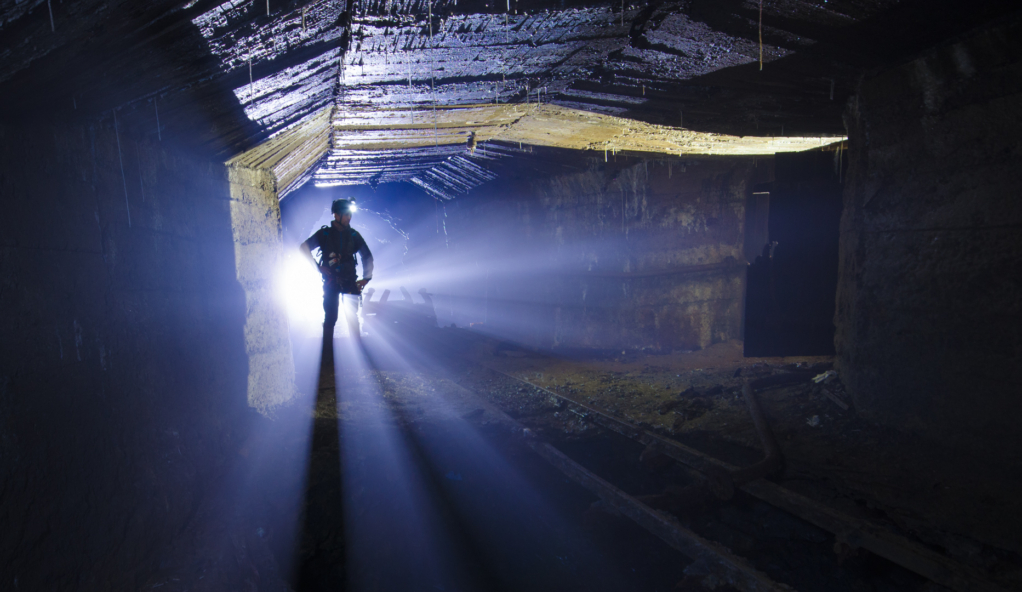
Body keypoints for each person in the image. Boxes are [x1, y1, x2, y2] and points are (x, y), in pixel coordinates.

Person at [299, 198, 374, 343]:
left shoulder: (353, 235)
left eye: (350, 215)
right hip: (331, 282)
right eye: (346, 214)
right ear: (336, 215)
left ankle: (358, 348)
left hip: (349, 281)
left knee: (352, 317)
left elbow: (367, 256)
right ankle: (327, 353)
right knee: (331, 317)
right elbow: (304, 248)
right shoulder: (325, 235)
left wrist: (366, 278)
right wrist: (318, 267)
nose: (349, 218)